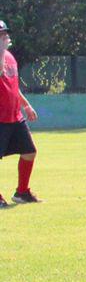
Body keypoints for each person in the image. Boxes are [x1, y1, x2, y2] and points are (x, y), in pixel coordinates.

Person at [0, 20, 40, 208]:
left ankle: (22, 192)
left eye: (5, 33)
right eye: (1, 34)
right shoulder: (2, 56)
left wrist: (26, 105)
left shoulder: (9, 57)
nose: (5, 37)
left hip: (14, 116)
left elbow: (13, 86)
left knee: (29, 152)